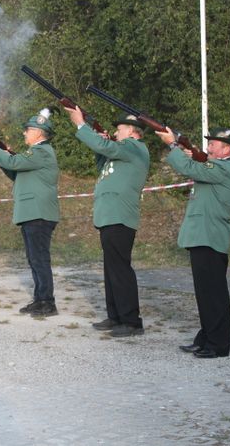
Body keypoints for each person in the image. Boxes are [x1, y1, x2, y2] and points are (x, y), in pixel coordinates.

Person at [154, 127, 230, 358]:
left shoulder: (225, 169)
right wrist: (187, 152)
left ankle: (218, 344)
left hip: (209, 236)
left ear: (226, 148)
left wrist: (172, 145)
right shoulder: (221, 168)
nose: (209, 147)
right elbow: (199, 167)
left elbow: (189, 168)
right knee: (206, 294)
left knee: (213, 294)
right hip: (205, 236)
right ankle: (206, 338)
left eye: (213, 144)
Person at [67, 109, 150, 337]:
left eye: (119, 129)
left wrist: (81, 125)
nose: (115, 133)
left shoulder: (134, 147)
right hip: (110, 215)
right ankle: (116, 316)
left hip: (119, 215)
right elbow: (104, 167)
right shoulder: (123, 151)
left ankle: (131, 321)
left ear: (132, 131)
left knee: (120, 270)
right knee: (111, 269)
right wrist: (101, 146)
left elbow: (108, 148)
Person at [0, 108, 60, 317]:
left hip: (38, 213)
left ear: (39, 133)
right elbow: (15, 171)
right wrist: (1, 154)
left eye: (28, 130)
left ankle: (47, 302)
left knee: (39, 259)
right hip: (32, 213)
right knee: (34, 259)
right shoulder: (36, 153)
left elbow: (13, 162)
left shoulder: (40, 151)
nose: (24, 133)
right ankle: (40, 299)